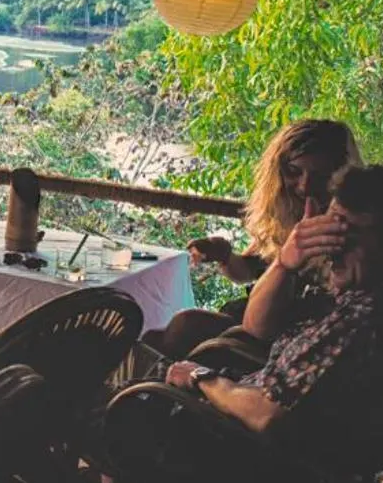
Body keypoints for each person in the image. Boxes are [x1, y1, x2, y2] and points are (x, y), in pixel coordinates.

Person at [164, 165, 383, 458]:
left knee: (130, 409)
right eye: (328, 229)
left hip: (241, 448)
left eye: (344, 232)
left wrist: (202, 377)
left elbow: (268, 416)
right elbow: (258, 329)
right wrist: (285, 262)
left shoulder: (360, 322)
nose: (329, 248)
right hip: (271, 416)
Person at [148, 120, 361, 358]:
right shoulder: (286, 215)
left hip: (280, 342)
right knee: (153, 339)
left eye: (320, 176)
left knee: (184, 326)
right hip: (253, 321)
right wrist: (225, 256)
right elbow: (250, 271)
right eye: (293, 172)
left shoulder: (348, 232)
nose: (304, 186)